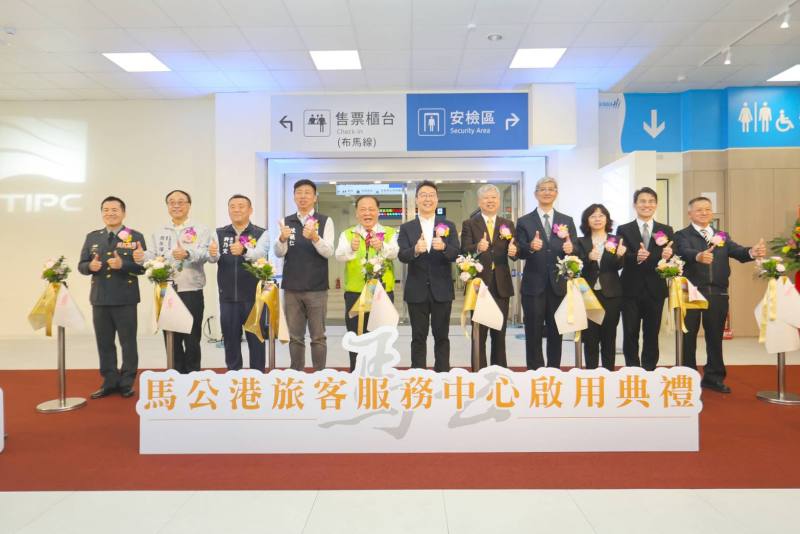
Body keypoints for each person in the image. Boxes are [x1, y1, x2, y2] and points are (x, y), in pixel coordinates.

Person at [674, 196, 766, 393]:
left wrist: (752, 251)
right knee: (688, 337)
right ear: (689, 213)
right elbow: (683, 251)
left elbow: (737, 251)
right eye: (699, 210)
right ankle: (688, 377)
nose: (704, 212)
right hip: (690, 291)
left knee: (715, 337)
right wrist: (698, 256)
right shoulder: (682, 235)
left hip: (718, 292)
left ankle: (713, 377)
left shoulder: (721, 235)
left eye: (707, 209)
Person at [77, 196, 146, 399]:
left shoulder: (134, 236)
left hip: (125, 298)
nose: (110, 213)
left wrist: (123, 265)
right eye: (106, 210)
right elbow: (81, 265)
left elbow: (143, 267)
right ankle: (109, 381)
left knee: (128, 342)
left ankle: (126, 382)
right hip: (100, 298)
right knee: (104, 342)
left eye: (114, 209)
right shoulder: (93, 237)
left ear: (123, 213)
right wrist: (90, 266)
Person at [144, 190, 213, 374]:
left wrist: (188, 253)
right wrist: (141, 256)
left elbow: (206, 254)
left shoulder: (201, 230)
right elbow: (152, 255)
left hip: (191, 289)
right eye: (172, 202)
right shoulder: (159, 231)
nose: (176, 205)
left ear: (189, 205)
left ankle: (192, 376)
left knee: (192, 338)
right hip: (166, 290)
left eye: (181, 202)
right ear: (167, 206)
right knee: (171, 338)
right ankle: (175, 375)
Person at [515, 177, 578, 369]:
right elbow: (518, 251)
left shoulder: (567, 220)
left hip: (558, 285)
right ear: (536, 194)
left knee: (556, 332)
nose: (547, 192)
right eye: (543, 189)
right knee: (533, 332)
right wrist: (530, 246)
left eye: (551, 189)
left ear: (556, 193)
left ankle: (553, 370)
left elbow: (575, 249)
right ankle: (535, 371)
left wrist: (571, 249)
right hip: (533, 286)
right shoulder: (524, 221)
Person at [398, 180, 459, 372]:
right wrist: (415, 250)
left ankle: (443, 374)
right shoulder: (407, 228)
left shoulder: (448, 225)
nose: (427, 199)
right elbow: (402, 255)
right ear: (416, 200)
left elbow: (456, 254)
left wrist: (445, 247)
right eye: (423, 195)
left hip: (442, 290)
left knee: (442, 337)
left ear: (437, 199)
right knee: (418, 337)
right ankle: (418, 375)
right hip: (416, 290)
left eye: (431, 195)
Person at [274, 179, 334, 371]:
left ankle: (319, 375)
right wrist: (281, 239)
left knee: (318, 337)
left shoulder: (324, 221)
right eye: (299, 192)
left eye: (307, 192)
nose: (303, 196)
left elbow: (329, 252)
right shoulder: (286, 221)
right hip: (292, 288)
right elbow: (279, 253)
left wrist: (315, 237)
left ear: (315, 197)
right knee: (295, 337)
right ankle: (296, 374)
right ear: (294, 197)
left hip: (317, 288)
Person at [334, 195, 399, 371]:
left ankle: (381, 374)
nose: (367, 213)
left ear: (378, 212)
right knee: (356, 337)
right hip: (356, 293)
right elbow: (338, 255)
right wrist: (351, 248)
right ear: (356, 213)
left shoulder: (389, 232)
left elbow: (395, 253)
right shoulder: (348, 234)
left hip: (382, 294)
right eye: (363, 209)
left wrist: (382, 246)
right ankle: (356, 374)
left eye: (371, 209)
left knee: (382, 337)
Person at [207, 194, 270, 371]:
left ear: (250, 210)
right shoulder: (219, 233)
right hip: (227, 297)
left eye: (241, 206)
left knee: (256, 340)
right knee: (230, 340)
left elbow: (260, 253)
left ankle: (258, 376)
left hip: (254, 297)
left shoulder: (261, 233)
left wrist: (244, 251)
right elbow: (212, 259)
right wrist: (212, 254)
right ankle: (233, 376)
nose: (236, 210)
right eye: (232, 206)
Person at [459, 184, 518, 368]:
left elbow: (515, 250)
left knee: (499, 333)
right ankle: (479, 372)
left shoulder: (507, 224)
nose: (490, 201)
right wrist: (477, 247)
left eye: (493, 198)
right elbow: (463, 250)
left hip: (501, 285)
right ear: (479, 202)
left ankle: (499, 372)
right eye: (486, 198)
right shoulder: (469, 224)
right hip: (479, 285)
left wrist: (515, 251)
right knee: (479, 334)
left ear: (498, 201)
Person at [616, 187, 674, 370]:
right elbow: (620, 256)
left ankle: (649, 370)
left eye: (651, 201)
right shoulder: (624, 229)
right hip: (630, 289)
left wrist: (669, 256)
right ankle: (632, 370)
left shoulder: (666, 230)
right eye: (642, 201)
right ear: (635, 204)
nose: (646, 205)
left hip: (655, 289)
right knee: (630, 332)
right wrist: (636, 257)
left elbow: (671, 258)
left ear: (656, 205)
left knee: (652, 333)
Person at [574, 204, 626, 371]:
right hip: (588, 294)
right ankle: (591, 374)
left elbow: (617, 266)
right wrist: (588, 258)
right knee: (590, 338)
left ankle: (608, 374)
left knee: (609, 337)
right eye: (593, 216)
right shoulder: (580, 241)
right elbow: (576, 267)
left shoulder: (615, 240)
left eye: (601, 215)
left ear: (607, 219)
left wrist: (619, 256)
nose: (597, 219)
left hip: (611, 294)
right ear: (587, 220)